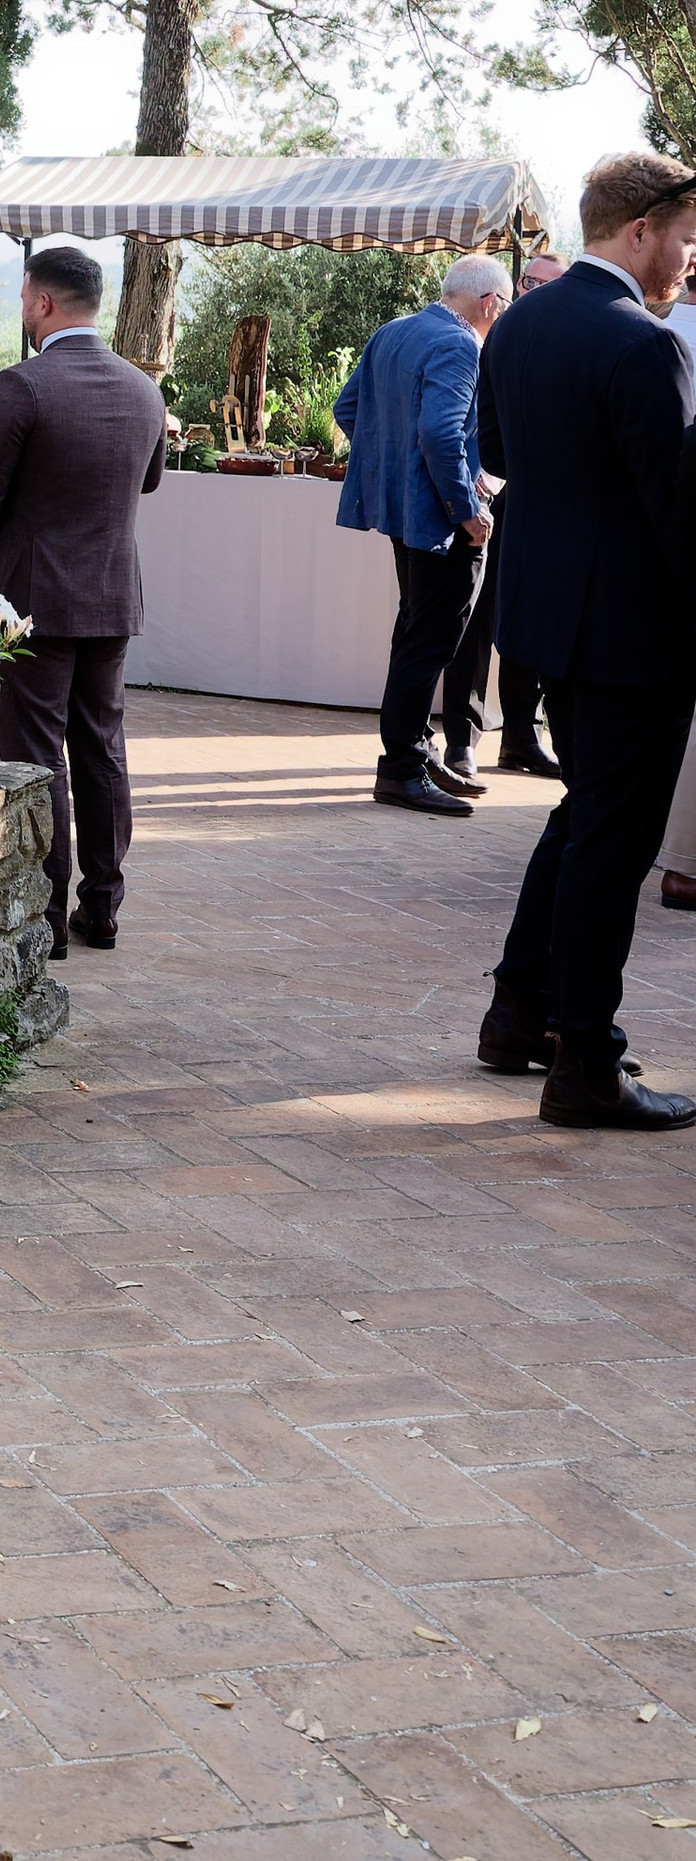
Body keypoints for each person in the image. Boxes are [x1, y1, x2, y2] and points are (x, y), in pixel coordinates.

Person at [472, 151, 696, 1129]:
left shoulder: (520, 320)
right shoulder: (643, 344)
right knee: (612, 839)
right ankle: (584, 1066)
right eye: (685, 235)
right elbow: (679, 514)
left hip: (545, 622)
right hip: (632, 633)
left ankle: (519, 1012)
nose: (690, 256)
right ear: (640, 227)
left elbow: (493, 456)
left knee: (585, 816)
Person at [0, 240, 166, 960]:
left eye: (22, 298)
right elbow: (151, 480)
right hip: (110, 591)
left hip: (32, 598)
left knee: (38, 753)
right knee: (103, 746)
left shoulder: (24, 384)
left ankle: (43, 913)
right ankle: (102, 905)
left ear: (43, 302)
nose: (23, 310)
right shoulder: (143, 387)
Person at [332, 254, 510, 816]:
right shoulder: (460, 345)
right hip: (441, 519)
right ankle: (403, 766)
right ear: (489, 303)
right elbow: (440, 433)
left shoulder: (394, 331)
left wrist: (395, 467)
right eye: (504, 306)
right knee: (428, 637)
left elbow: (349, 409)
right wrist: (466, 509)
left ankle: (411, 750)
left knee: (415, 632)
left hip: (408, 512)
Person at [456, 250, 567, 782]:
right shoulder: (492, 336)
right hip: (487, 497)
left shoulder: (566, 340)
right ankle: (464, 739)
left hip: (536, 501)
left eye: (549, 283)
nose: (536, 288)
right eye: (530, 279)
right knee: (477, 619)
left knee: (529, 619)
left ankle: (521, 736)